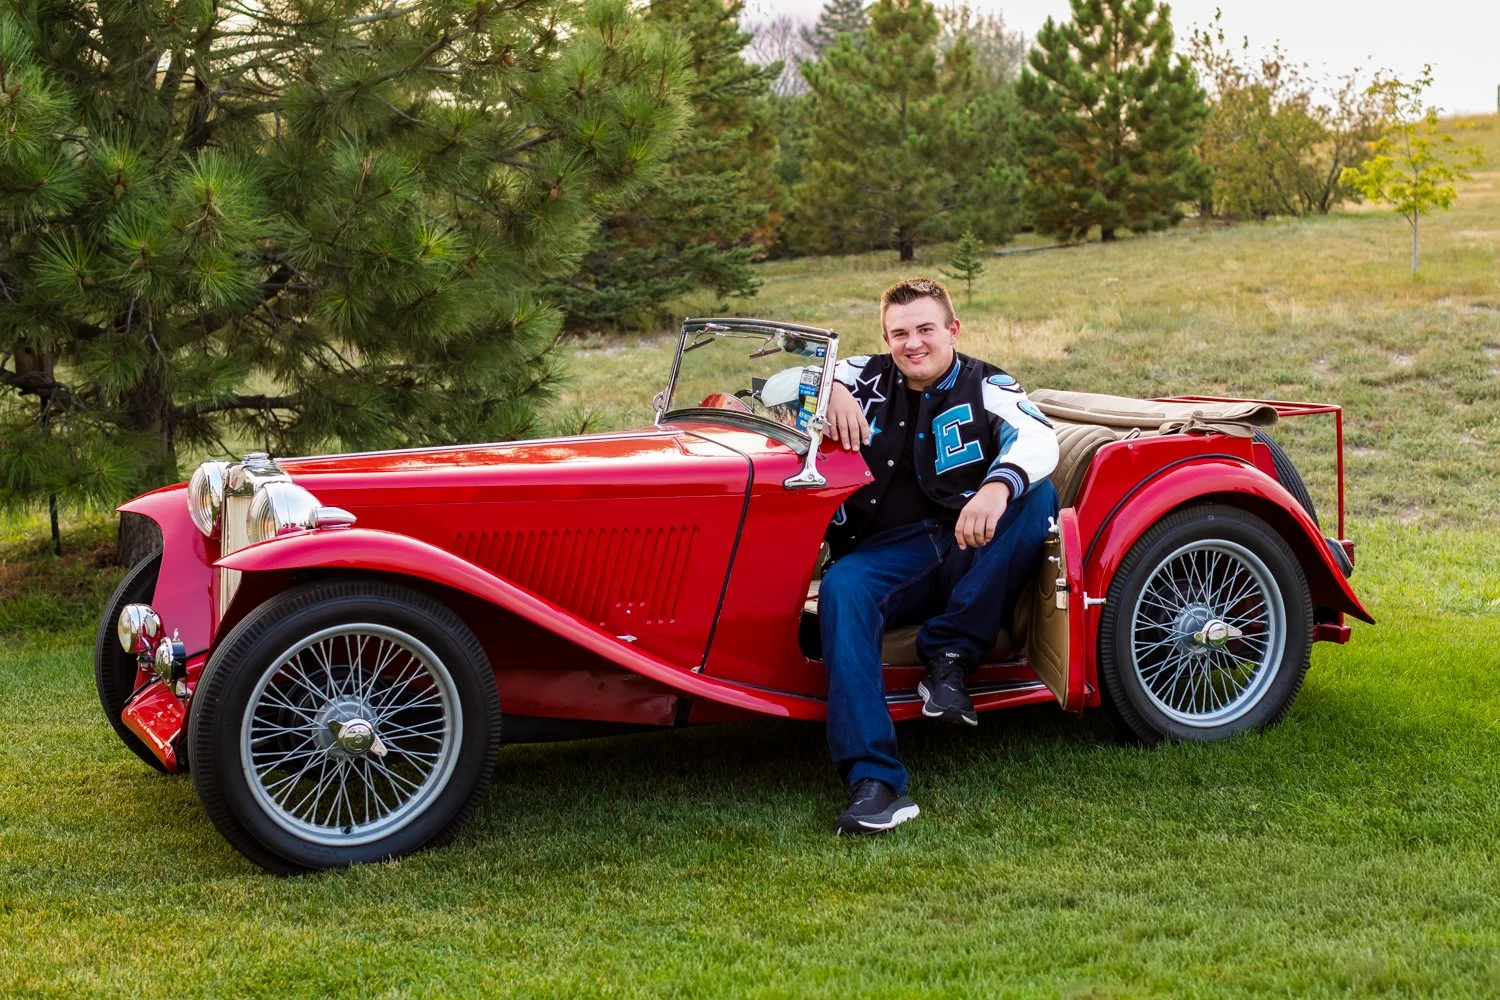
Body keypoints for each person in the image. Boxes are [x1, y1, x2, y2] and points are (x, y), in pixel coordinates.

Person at [815, 277, 1060, 836]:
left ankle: (949, 659)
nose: (913, 343)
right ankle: (875, 784)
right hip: (887, 555)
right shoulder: (862, 376)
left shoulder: (986, 383)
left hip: (968, 545)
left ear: (953, 329)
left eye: (926, 329)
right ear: (885, 336)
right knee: (842, 588)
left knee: (1035, 494)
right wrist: (826, 387)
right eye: (899, 333)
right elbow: (781, 380)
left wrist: (997, 487)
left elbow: (1039, 439)